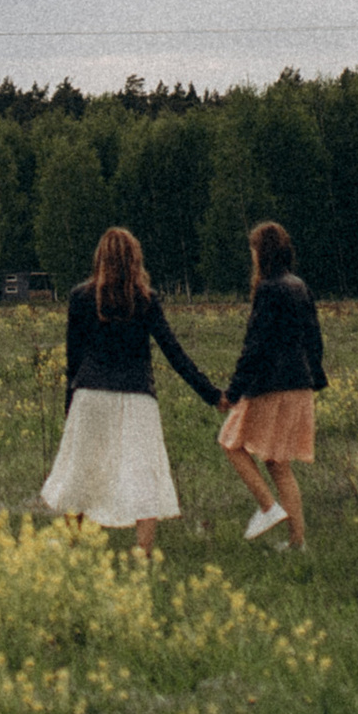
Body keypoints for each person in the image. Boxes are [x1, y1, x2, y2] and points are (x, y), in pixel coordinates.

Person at [43, 224, 224, 560]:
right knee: (144, 471)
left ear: (100, 258)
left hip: (90, 395)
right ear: (135, 260)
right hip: (138, 397)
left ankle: (72, 541)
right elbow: (175, 353)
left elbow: (73, 357)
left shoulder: (80, 297)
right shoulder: (146, 299)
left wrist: (71, 406)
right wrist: (212, 395)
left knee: (82, 467)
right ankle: (143, 550)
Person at [218, 218, 325, 556]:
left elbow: (255, 347)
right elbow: (314, 340)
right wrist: (314, 377)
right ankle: (297, 544)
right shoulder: (299, 286)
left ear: (260, 254)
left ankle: (267, 508)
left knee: (230, 442)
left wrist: (233, 393)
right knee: (279, 464)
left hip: (271, 385)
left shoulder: (267, 289)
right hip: (300, 385)